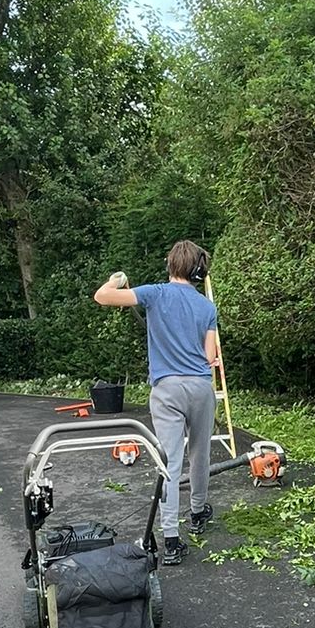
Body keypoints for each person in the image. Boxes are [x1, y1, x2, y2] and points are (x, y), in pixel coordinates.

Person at [93, 242, 220, 566]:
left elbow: (102, 296)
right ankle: (197, 512)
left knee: (170, 463)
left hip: (166, 390)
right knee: (200, 454)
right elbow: (209, 357)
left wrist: (116, 280)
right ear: (198, 269)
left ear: (170, 265)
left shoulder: (154, 293)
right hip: (200, 388)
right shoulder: (207, 307)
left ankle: (172, 541)